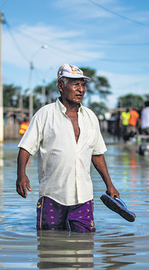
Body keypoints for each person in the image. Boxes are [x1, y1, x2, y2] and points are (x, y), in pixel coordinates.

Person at [16, 64, 120, 233]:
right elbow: (26, 147)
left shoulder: (90, 117)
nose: (80, 90)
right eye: (75, 84)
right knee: (49, 245)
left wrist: (110, 185)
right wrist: (21, 174)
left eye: (83, 85)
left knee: (86, 247)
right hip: (52, 195)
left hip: (83, 197)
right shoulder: (45, 114)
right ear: (61, 86)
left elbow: (97, 154)